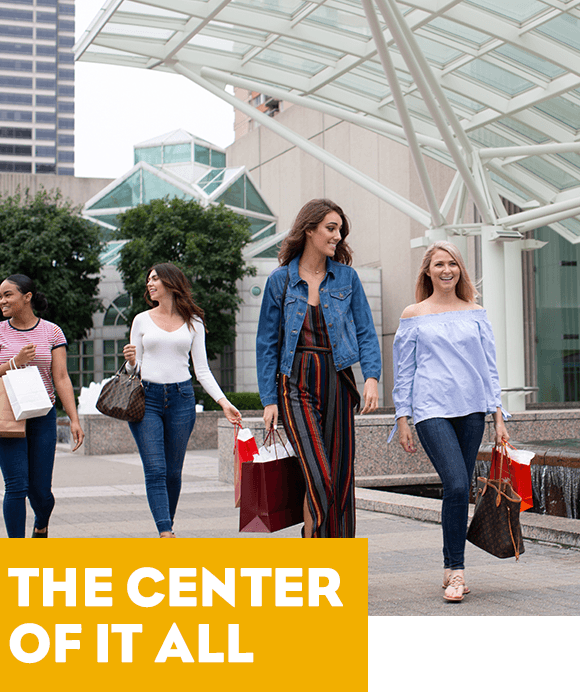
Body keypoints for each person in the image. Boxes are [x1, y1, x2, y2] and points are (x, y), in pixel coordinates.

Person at [391, 240, 510, 602]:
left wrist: (499, 416)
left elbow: (489, 368)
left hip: (472, 410)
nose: (447, 270)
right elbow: (404, 369)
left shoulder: (475, 312)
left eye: (453, 264)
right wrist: (402, 417)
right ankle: (456, 571)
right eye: (440, 264)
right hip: (431, 410)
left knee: (458, 488)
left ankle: (450, 568)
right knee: (457, 484)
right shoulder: (414, 314)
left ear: (460, 270)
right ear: (428, 271)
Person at [256, 199, 381, 538]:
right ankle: (317, 562)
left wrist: (371, 377)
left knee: (340, 478)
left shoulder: (347, 279)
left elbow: (366, 331)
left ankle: (334, 567)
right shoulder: (280, 281)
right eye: (331, 228)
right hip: (295, 383)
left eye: (340, 230)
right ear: (308, 230)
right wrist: (269, 399)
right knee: (319, 477)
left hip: (338, 378)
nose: (337, 236)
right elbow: (267, 344)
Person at [123, 263, 241, 538]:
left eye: (155, 279)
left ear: (170, 282)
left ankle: (168, 524)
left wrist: (224, 402)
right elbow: (135, 370)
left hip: (181, 399)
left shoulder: (193, 322)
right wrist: (130, 363)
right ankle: (166, 533)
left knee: (173, 473)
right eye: (148, 280)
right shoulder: (141, 319)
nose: (150, 284)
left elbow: (201, 369)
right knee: (155, 469)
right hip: (146, 399)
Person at [0, 274, 84, 538]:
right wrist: (13, 363)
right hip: (7, 414)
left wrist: (73, 419)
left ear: (27, 297)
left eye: (7, 295)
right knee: (16, 485)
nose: (1, 300)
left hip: (42, 415)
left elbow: (60, 377)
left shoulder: (52, 331)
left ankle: (41, 524)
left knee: (40, 491)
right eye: (0, 295)